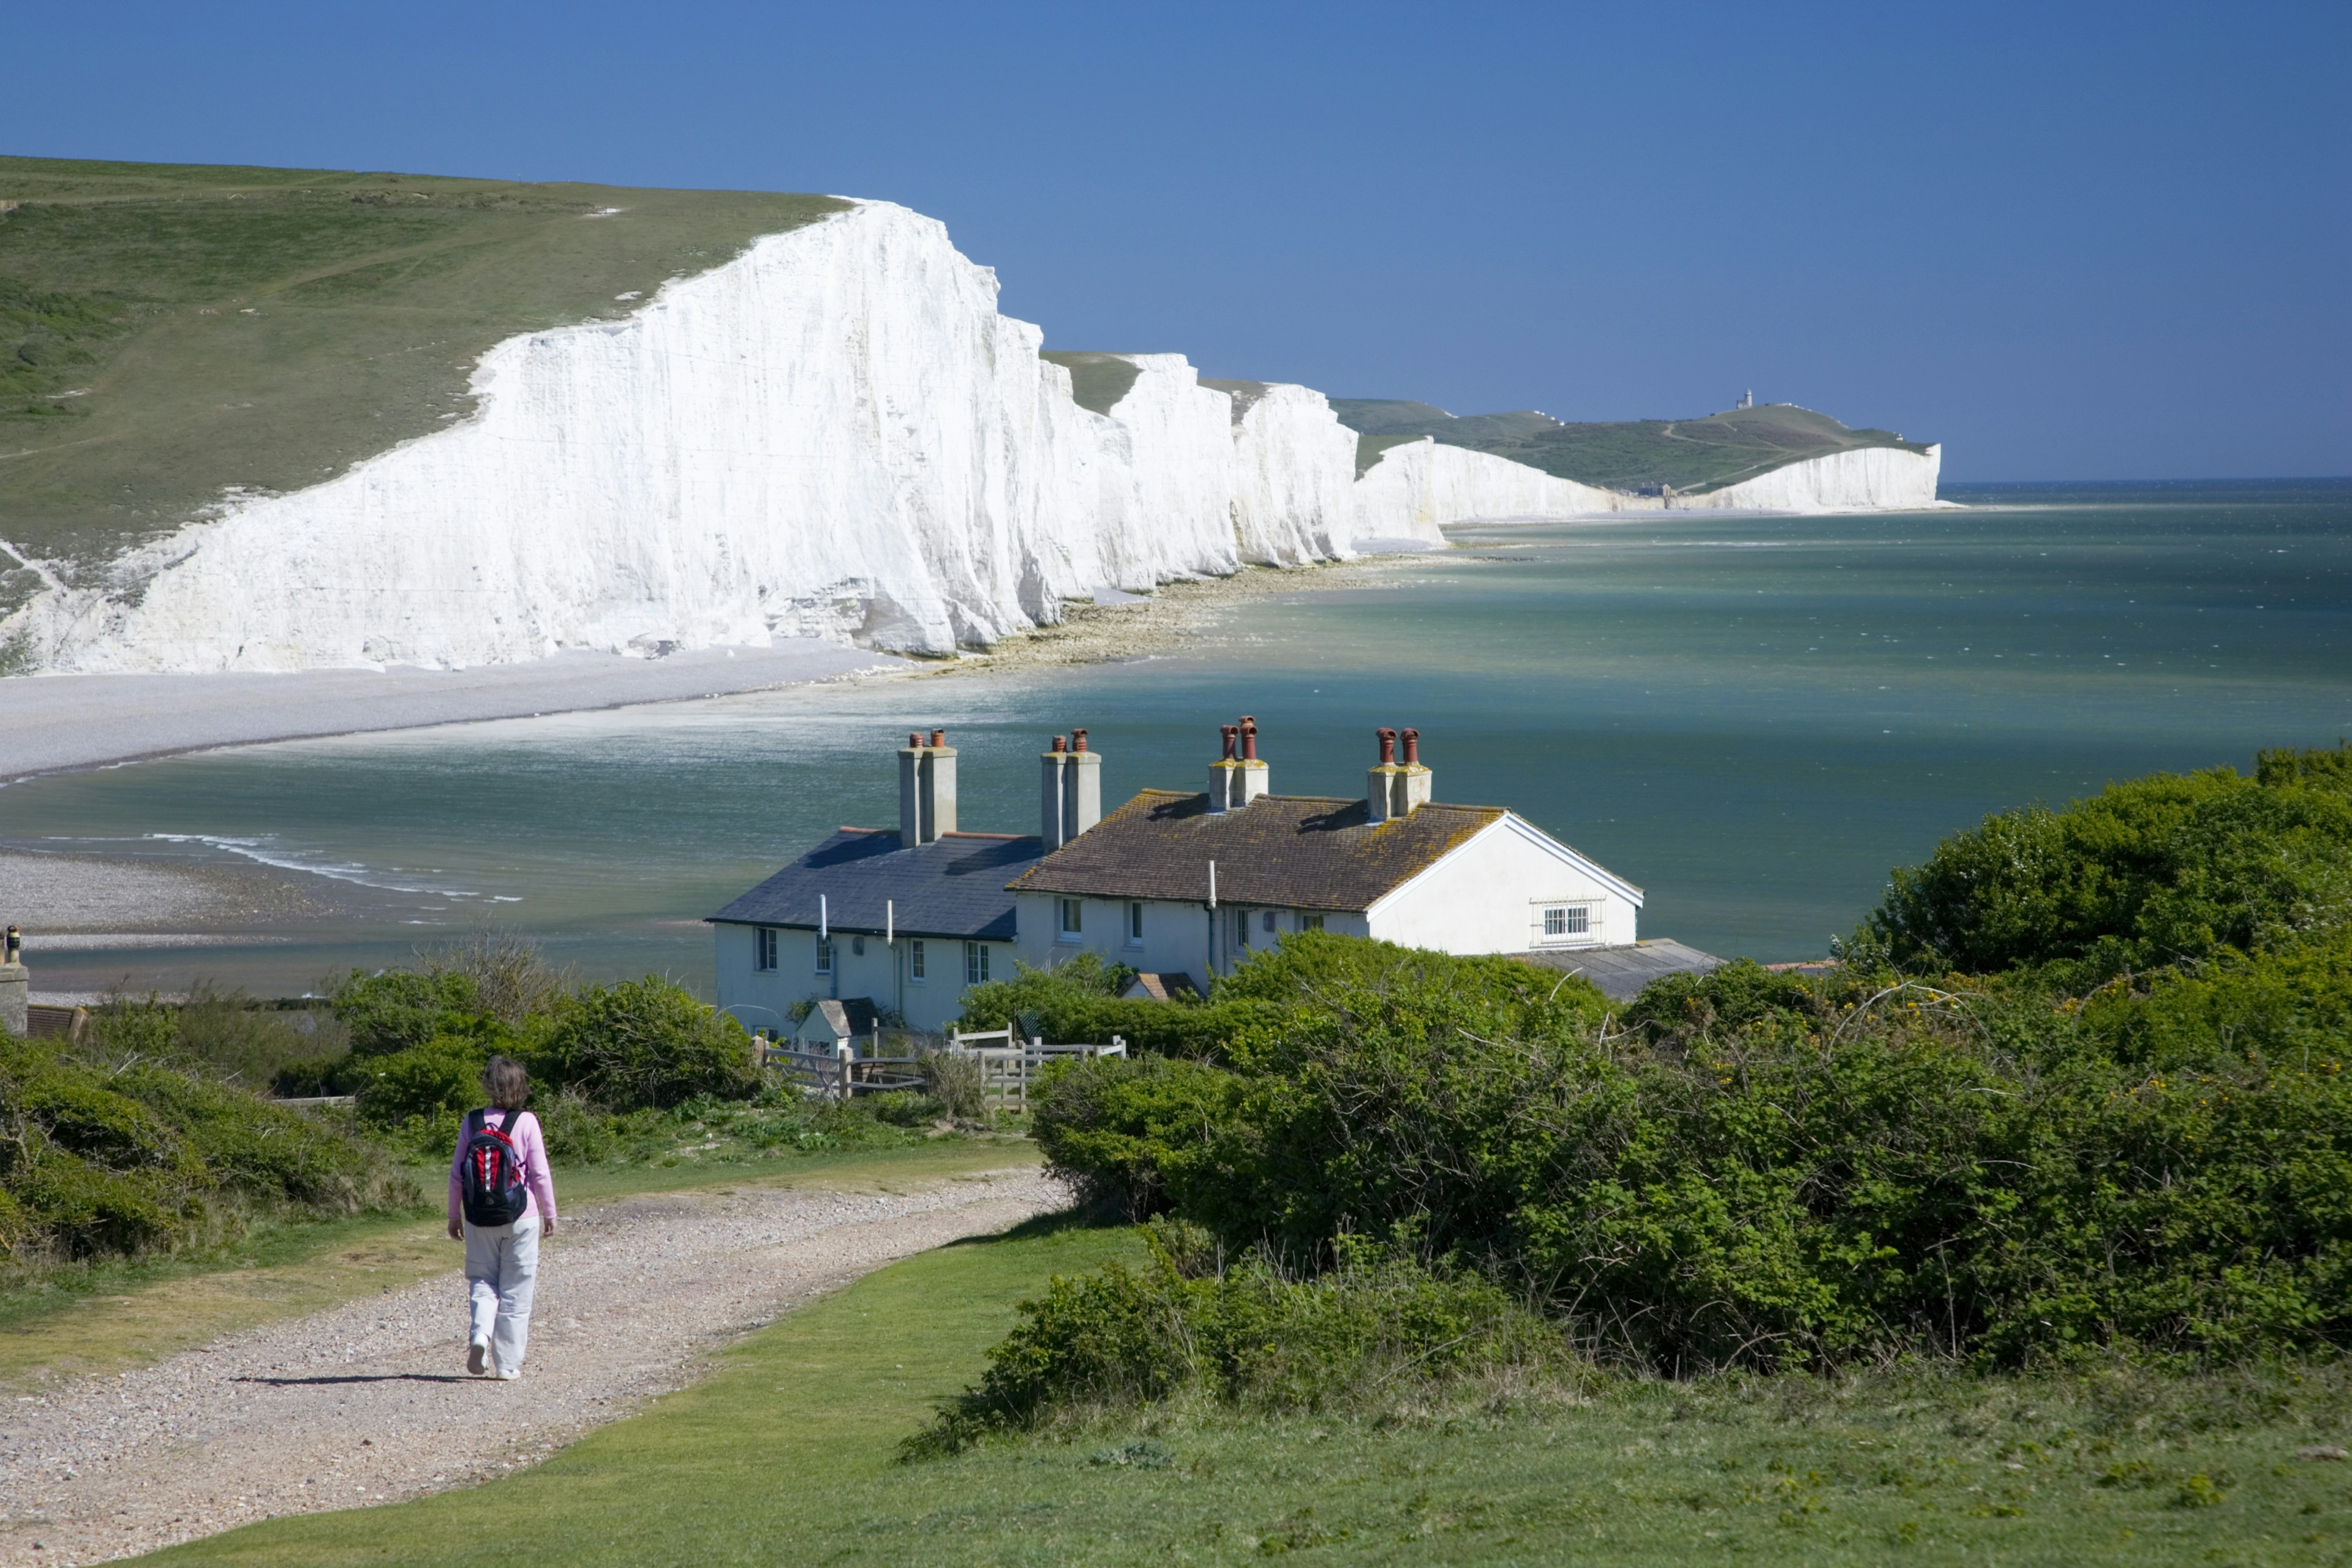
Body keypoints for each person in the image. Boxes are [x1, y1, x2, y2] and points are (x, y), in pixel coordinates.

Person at [447, 1055, 558, 1380]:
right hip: (521, 1217)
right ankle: (506, 1365)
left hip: (479, 1217)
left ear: (489, 1085)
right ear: (521, 1088)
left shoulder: (472, 1121)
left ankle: (480, 1334)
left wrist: (454, 1216)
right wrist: (550, 1211)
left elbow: (457, 1175)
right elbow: (539, 1173)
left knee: (483, 1281)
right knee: (516, 1291)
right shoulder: (527, 1122)